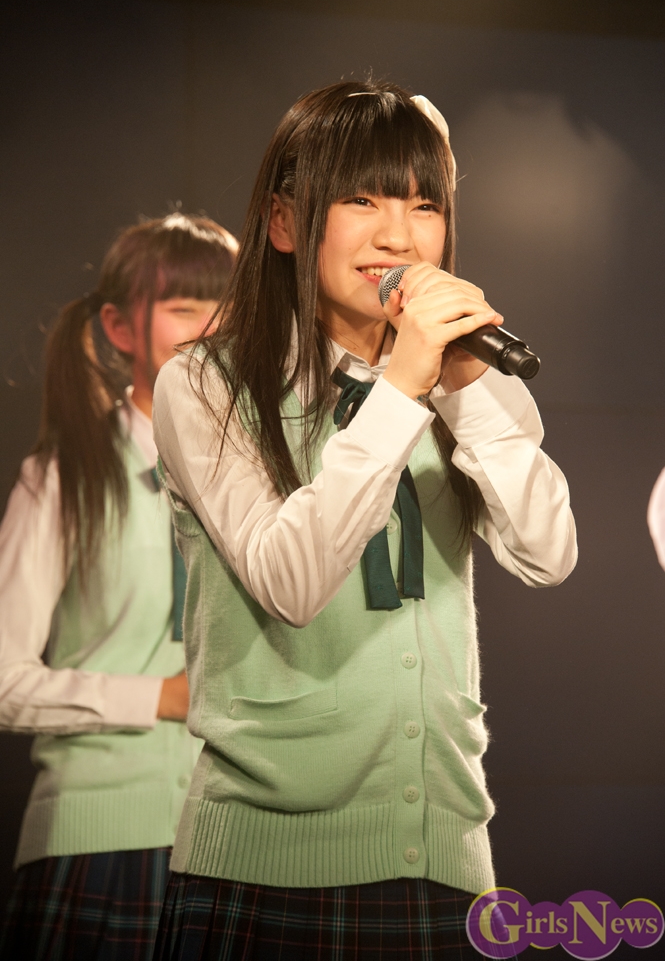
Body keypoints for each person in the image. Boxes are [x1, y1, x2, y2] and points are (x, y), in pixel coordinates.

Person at [152, 82, 578, 960]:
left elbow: (548, 554)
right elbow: (291, 581)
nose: (398, 236)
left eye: (425, 206)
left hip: (449, 865)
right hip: (262, 872)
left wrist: (462, 387)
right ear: (284, 222)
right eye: (362, 201)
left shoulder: (459, 379)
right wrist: (402, 387)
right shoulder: (203, 384)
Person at [0, 213, 237, 961]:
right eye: (184, 307)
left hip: (240, 843)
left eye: (228, 307)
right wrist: (157, 697)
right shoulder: (61, 475)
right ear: (118, 327)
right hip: (99, 842)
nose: (211, 329)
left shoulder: (262, 472)